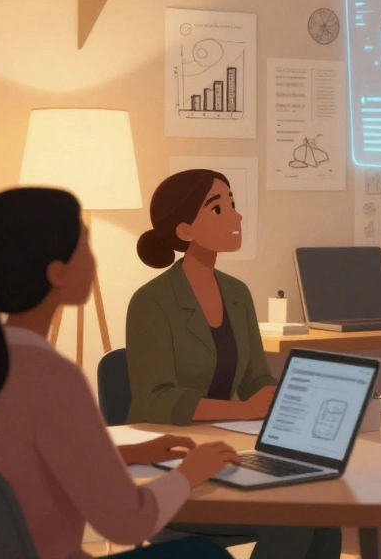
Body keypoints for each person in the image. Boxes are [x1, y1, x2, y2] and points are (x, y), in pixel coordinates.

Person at [0, 187, 238, 559]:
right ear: (57, 272)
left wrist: (126, 454)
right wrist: (191, 472)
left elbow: (22, 464)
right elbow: (128, 522)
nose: (94, 260)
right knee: (205, 555)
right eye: (86, 243)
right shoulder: (53, 378)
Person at [125, 169, 341, 558]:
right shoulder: (151, 301)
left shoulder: (237, 294)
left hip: (232, 451)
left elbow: (257, 376)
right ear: (186, 230)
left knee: (323, 509)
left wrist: (282, 401)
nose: (237, 217)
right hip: (179, 467)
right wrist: (242, 410)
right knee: (299, 515)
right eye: (219, 208)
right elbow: (157, 398)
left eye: (233, 205)